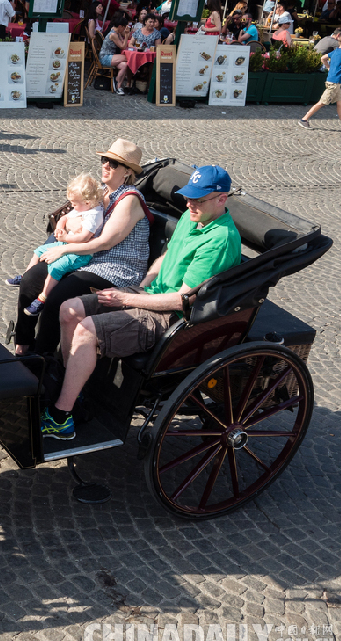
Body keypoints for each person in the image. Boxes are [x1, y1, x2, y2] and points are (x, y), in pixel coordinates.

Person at [41, 165, 242, 441]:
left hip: (172, 316)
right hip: (150, 294)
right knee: (69, 309)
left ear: (222, 199)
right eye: (188, 198)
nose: (190, 204)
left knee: (87, 328)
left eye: (198, 200)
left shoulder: (219, 239)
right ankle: (72, 391)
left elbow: (181, 300)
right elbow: (167, 257)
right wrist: (144, 285)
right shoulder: (191, 217)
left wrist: (126, 297)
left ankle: (60, 417)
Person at [13, 139, 152, 356]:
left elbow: (105, 242)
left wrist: (63, 249)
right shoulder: (101, 193)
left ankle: (41, 361)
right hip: (87, 258)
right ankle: (22, 345)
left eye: (113, 164)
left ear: (127, 172)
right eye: (105, 160)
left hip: (114, 268)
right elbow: (74, 215)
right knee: (32, 279)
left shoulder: (130, 199)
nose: (106, 165)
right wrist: (59, 234)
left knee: (58, 297)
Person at [7, 173, 105, 318]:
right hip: (66, 243)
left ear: (88, 202)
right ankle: (26, 275)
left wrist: (65, 237)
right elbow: (65, 217)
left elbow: (84, 237)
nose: (72, 206)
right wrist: (60, 227)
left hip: (79, 253)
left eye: (75, 203)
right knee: (39, 251)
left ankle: (43, 298)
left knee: (56, 267)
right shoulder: (81, 208)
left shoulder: (93, 215)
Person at [299, 34, 341, 132]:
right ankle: (304, 119)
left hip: (333, 81)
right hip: (335, 83)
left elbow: (323, 58)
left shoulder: (335, 51)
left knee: (340, 103)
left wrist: (328, 67)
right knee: (322, 102)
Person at [99, 13, 130, 95]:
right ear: (120, 26)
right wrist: (127, 35)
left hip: (111, 56)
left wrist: (124, 37)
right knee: (128, 58)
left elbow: (122, 43)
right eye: (124, 27)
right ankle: (118, 80)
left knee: (124, 65)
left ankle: (118, 86)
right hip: (105, 57)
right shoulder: (113, 34)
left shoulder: (116, 31)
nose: (124, 29)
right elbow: (123, 46)